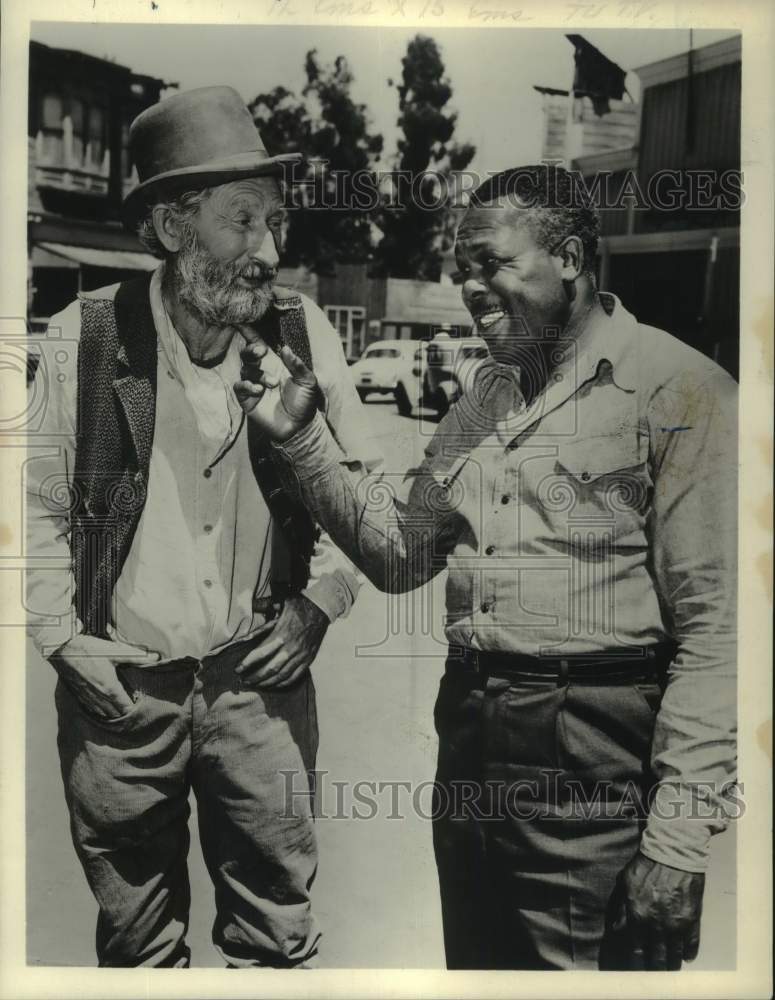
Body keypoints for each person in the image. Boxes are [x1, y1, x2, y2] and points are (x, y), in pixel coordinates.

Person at [235, 164, 738, 971]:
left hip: (597, 758)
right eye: (460, 268)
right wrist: (302, 442)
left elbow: (720, 635)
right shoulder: (482, 400)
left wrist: (677, 843)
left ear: (569, 257)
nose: (469, 286)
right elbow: (401, 556)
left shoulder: (677, 390)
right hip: (470, 737)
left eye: (491, 263)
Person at [25, 85, 380, 968]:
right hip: (122, 696)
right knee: (139, 947)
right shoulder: (85, 336)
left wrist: (320, 604)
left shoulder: (303, 337)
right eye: (242, 221)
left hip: (260, 686)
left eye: (274, 223)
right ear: (174, 230)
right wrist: (60, 636)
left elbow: (363, 492)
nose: (268, 251)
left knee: (276, 937)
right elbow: (24, 504)